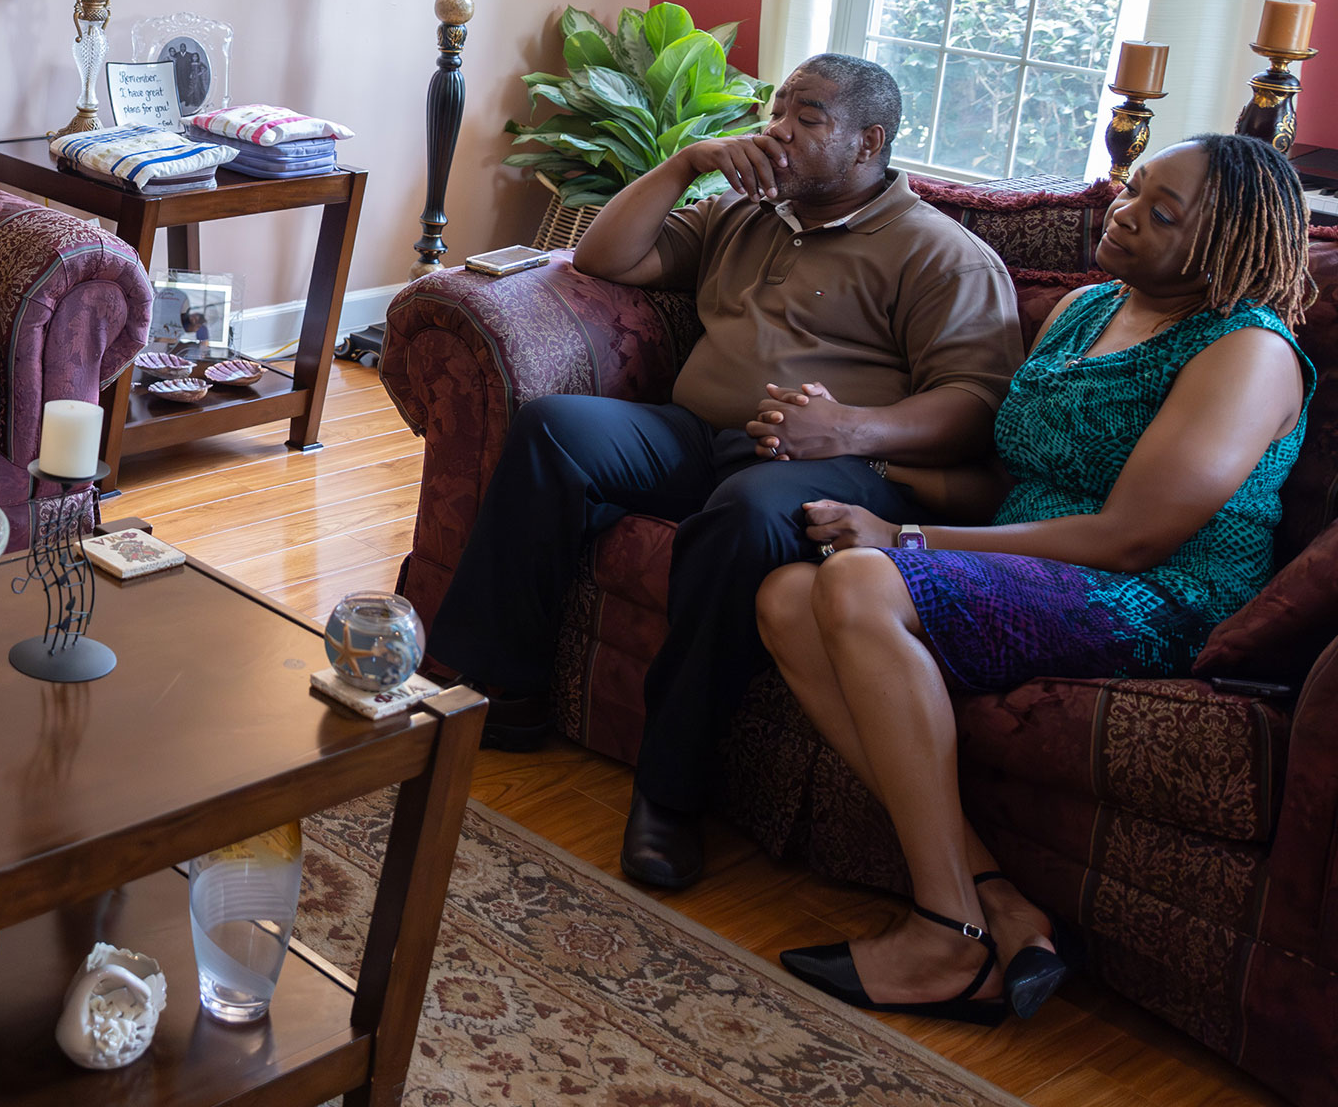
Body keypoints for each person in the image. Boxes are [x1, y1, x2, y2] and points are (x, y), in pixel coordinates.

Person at [426, 53, 1022, 891]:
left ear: (867, 142)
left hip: (830, 465)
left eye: (806, 118)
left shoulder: (940, 256)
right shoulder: (746, 213)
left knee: (745, 516)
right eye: (777, 109)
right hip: (696, 434)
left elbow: (976, 403)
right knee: (555, 428)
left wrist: (847, 427)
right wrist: (685, 162)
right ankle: (502, 688)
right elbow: (602, 259)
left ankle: (671, 795)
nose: (778, 130)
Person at [758, 134, 1316, 1025]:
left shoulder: (1246, 352)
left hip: (1159, 598)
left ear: (1223, 244)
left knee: (862, 581)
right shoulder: (1087, 309)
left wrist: (899, 536)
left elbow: (1130, 538)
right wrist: (859, 457)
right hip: (1035, 565)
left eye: (1160, 213)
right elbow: (1017, 481)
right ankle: (999, 904)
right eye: (1133, 190)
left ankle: (945, 929)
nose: (1123, 212)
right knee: (786, 597)